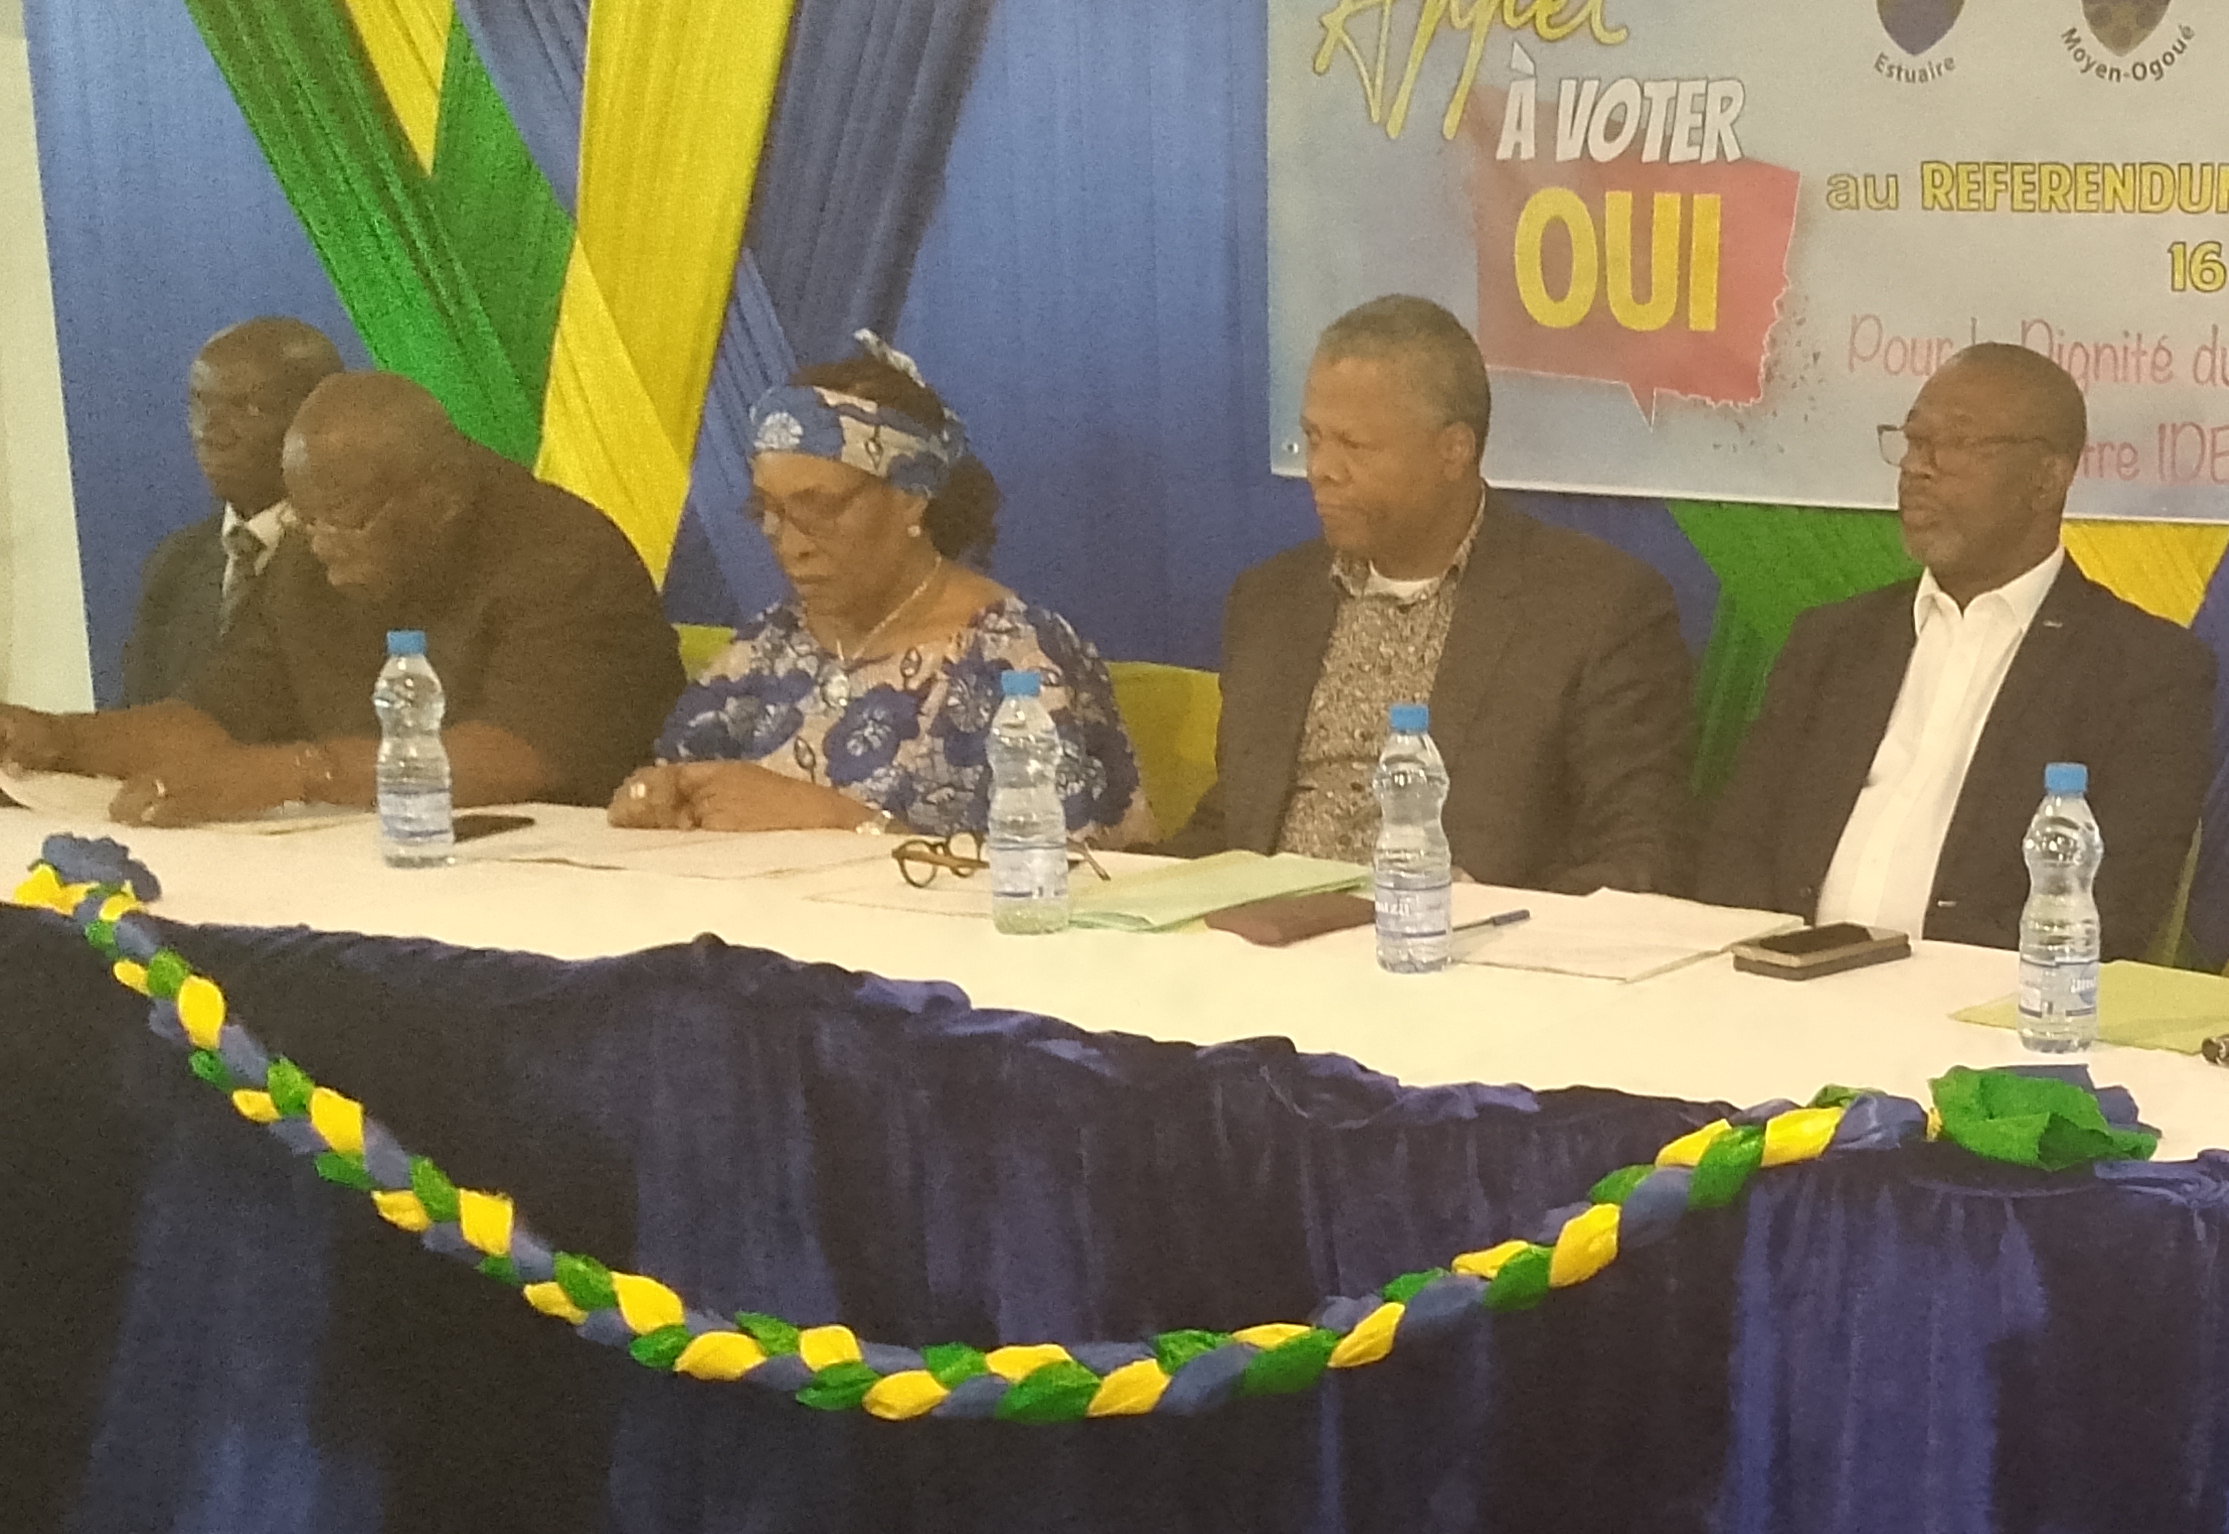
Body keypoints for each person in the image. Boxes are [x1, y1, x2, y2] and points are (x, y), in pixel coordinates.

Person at [1696, 344, 2216, 948]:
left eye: (1956, 444)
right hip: (1782, 982)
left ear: (2046, 479)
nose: (1918, 467)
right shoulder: (1833, 640)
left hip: (1982, 997)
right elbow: (1737, 846)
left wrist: (1927, 980)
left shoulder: (2146, 672)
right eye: (1914, 442)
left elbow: (2115, 908)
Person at [0, 373, 677, 823]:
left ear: (442, 498)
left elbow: (521, 757)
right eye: (303, 517)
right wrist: (61, 738)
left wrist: (289, 774)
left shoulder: (565, 555)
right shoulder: (309, 558)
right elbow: (217, 715)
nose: (318, 543)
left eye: (342, 519)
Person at [1195, 295, 1693, 888]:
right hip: (1262, 934)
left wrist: (1485, 911)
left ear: (1453, 451)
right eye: (1314, 437)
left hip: (1451, 935)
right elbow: (1232, 826)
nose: (1322, 468)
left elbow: (1640, 854)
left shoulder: (1594, 608)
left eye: (1354, 445)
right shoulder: (1269, 600)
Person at [608, 339, 1144, 843]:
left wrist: (843, 822)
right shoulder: (769, 647)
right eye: (767, 511)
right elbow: (676, 777)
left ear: (913, 497)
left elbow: (1069, 875)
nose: (790, 545)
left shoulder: (1012, 660)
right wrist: (657, 797)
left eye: (819, 509)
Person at [115, 317, 343, 707]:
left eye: (250, 408)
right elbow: (134, 715)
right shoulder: (174, 565)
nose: (210, 431)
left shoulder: (356, 561)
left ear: (319, 419)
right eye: (200, 403)